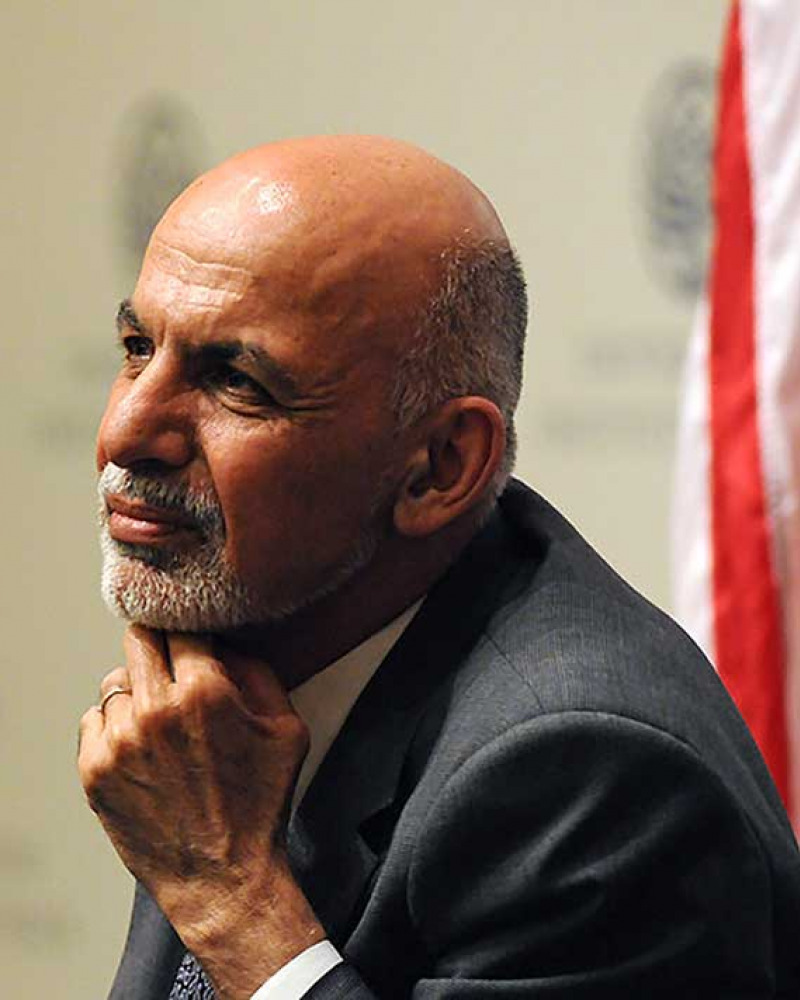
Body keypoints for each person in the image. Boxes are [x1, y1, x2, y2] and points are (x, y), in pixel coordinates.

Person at [78, 135, 800, 1000]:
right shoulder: (235, 672)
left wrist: (230, 900)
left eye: (236, 381)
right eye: (135, 347)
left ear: (439, 467)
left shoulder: (586, 775)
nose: (125, 433)